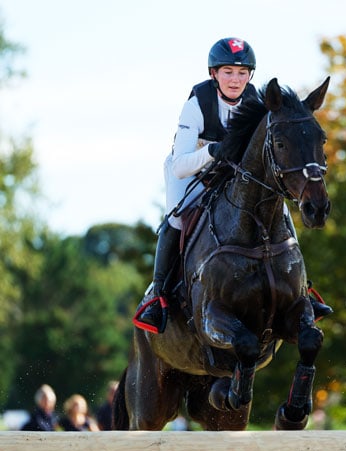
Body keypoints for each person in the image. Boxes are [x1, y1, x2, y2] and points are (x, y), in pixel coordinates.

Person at [135, 37, 331, 333]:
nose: (235, 80)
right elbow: (180, 165)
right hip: (191, 171)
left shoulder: (256, 101)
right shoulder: (197, 103)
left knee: (281, 212)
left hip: (233, 172)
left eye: (242, 73)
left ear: (251, 75)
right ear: (214, 73)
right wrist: (213, 151)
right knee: (177, 217)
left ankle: (302, 289)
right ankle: (158, 296)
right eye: (228, 72)